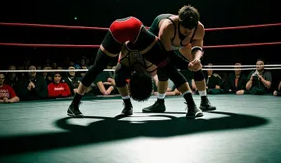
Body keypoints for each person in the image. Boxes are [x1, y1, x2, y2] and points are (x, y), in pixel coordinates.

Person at [67, 16, 203, 118]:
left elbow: (119, 78)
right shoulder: (150, 67)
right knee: (169, 68)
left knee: (98, 69)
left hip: (119, 30)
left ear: (132, 77)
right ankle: (192, 105)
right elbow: (171, 66)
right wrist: (188, 64)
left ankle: (75, 104)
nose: (138, 71)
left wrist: (188, 64)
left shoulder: (125, 65)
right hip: (134, 30)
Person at [142, 5, 216, 113]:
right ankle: (160, 103)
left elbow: (198, 47)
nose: (188, 31)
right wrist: (186, 65)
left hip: (180, 43)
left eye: (191, 28)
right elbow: (168, 56)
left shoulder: (199, 28)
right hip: (161, 39)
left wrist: (196, 60)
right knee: (163, 65)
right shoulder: (167, 27)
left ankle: (204, 101)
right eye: (185, 27)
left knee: (196, 65)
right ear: (180, 22)